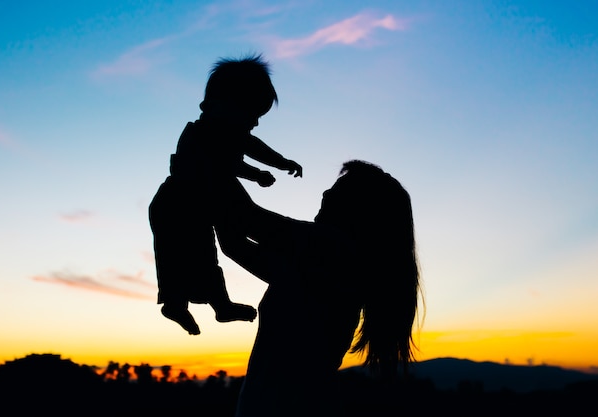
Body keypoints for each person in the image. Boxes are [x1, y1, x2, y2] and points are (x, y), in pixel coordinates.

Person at [222, 160, 423, 417]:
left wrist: (212, 159)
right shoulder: (320, 263)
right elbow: (233, 244)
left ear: (358, 208)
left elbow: (245, 217)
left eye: (338, 190)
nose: (326, 193)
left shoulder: (330, 247)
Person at [148, 54, 303, 335]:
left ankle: (211, 305)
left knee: (198, 255)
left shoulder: (226, 131)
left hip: (189, 202)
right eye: (251, 114)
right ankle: (182, 303)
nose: (254, 123)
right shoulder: (205, 134)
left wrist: (281, 164)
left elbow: (253, 148)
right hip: (180, 202)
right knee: (185, 255)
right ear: (220, 105)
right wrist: (259, 174)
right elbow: (225, 162)